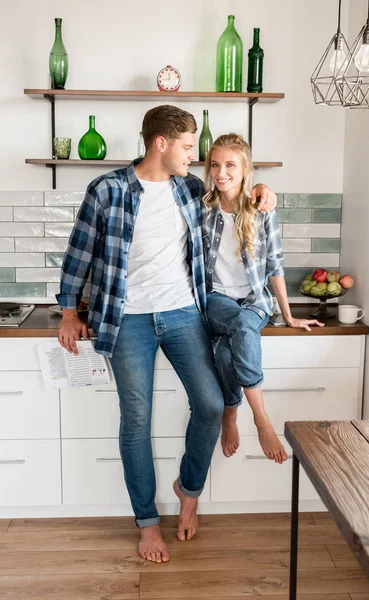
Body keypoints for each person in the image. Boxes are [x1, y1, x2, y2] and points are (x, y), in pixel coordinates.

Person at [56, 106, 277, 564]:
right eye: (189, 146)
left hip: (182, 314)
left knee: (213, 404)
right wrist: (67, 313)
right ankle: (147, 524)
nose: (195, 157)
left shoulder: (191, 188)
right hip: (127, 319)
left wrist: (262, 189)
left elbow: (235, 194)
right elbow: (79, 253)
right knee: (136, 420)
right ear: (162, 143)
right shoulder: (108, 190)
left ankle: (188, 489)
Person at [202, 134, 324, 463]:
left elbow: (275, 265)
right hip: (214, 302)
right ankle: (262, 419)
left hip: (255, 302)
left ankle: (231, 412)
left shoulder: (261, 210)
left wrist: (288, 315)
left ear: (245, 170)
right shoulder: (203, 209)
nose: (220, 172)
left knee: (228, 355)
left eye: (230, 165)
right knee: (241, 326)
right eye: (215, 164)